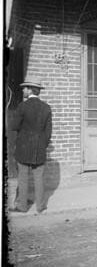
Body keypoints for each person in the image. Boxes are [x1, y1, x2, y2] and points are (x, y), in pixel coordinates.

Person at [9, 77, 52, 213]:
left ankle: (22, 206)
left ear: (30, 90)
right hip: (39, 147)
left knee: (23, 177)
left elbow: (13, 126)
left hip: (23, 147)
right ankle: (40, 206)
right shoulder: (46, 108)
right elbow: (48, 132)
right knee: (38, 178)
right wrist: (42, 145)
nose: (23, 90)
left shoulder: (22, 106)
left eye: (25, 88)